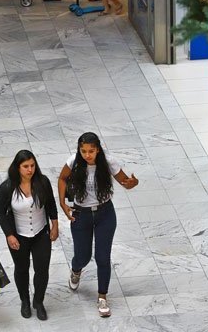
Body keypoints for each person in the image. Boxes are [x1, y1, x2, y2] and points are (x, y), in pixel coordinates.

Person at [58, 132, 138, 317]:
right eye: (84, 151)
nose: (87, 155)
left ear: (98, 149)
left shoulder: (108, 162)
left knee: (103, 257)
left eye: (91, 151)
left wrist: (133, 182)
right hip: (81, 214)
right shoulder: (74, 162)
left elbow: (125, 182)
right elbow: (62, 179)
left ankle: (102, 296)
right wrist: (62, 202)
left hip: (105, 214)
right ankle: (76, 269)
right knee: (83, 256)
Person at [0, 150, 58, 321]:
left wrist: (55, 225)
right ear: (17, 168)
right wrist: (9, 235)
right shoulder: (7, 188)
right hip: (19, 236)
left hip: (41, 233)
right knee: (22, 269)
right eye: (25, 166)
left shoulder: (43, 182)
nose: (30, 169)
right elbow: (1, 213)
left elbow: (51, 204)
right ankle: (25, 300)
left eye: (32, 165)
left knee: (42, 269)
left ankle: (39, 301)